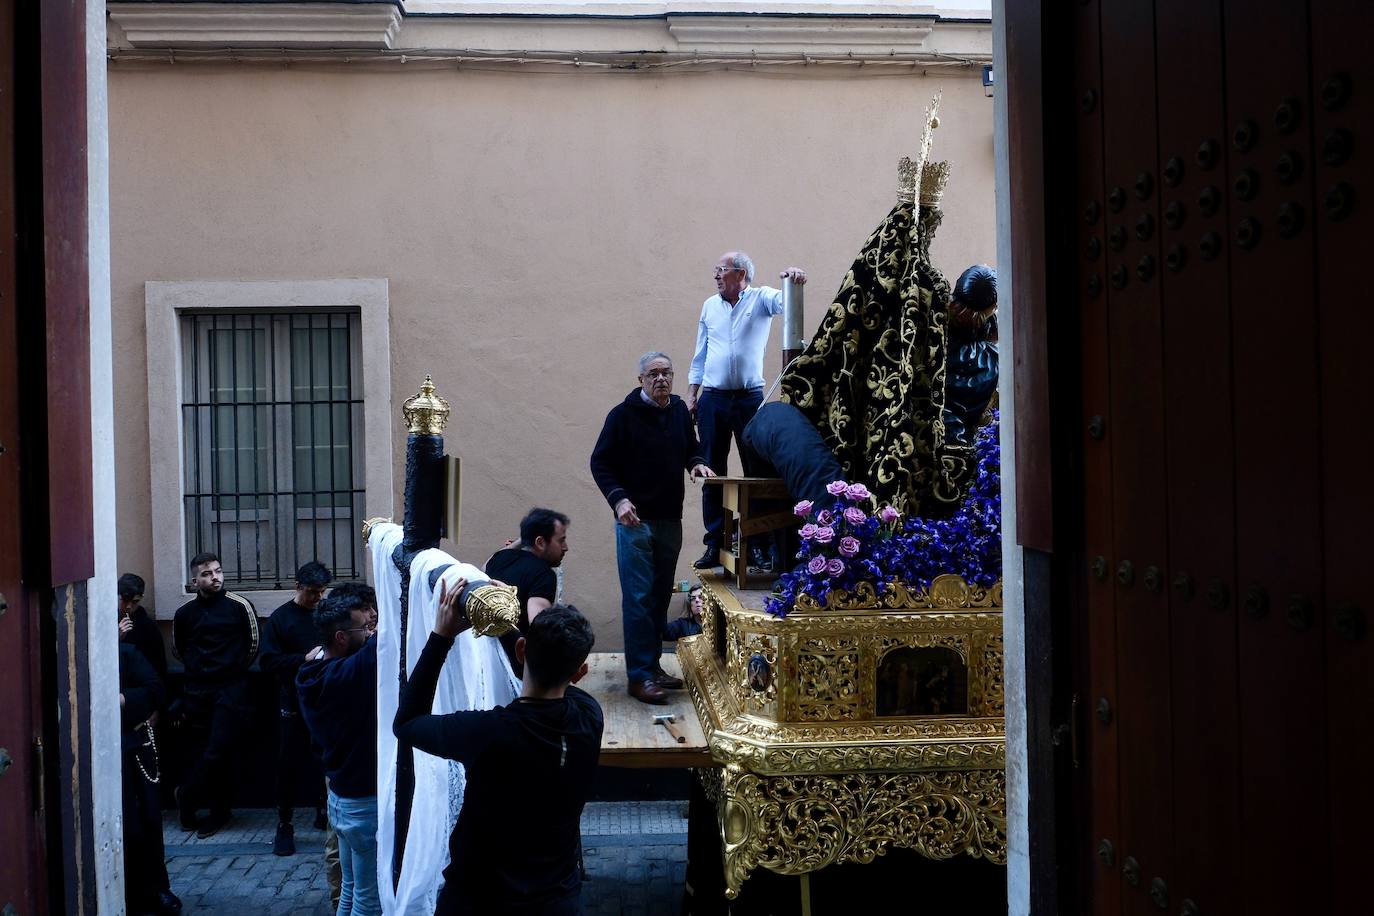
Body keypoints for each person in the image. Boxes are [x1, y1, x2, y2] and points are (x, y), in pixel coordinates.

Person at [393, 581, 602, 915]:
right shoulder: (589, 717)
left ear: (521, 651)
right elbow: (540, 664)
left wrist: (442, 636)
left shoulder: (487, 732)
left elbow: (406, 723)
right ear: (580, 672)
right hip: (556, 898)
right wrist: (503, 620)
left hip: (479, 899)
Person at [590, 352, 715, 704]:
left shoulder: (678, 411)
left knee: (660, 596)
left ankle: (654, 667)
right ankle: (639, 677)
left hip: (669, 521)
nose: (661, 379)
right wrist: (619, 500)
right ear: (641, 380)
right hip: (634, 522)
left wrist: (697, 463)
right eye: (653, 374)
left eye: (666, 373)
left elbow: (691, 447)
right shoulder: (622, 416)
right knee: (639, 597)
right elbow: (600, 462)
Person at [686, 251, 806, 572]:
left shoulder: (760, 298)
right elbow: (701, 353)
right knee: (711, 469)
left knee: (757, 470)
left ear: (740, 274)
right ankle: (715, 542)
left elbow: (785, 303)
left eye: (721, 270)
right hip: (713, 398)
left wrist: (792, 278)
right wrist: (692, 394)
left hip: (750, 398)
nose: (716, 275)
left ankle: (759, 543)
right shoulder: (710, 306)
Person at [297, 588, 379, 916]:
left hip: (342, 798)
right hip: (362, 803)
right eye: (366, 629)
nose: (372, 632)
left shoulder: (314, 670)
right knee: (369, 901)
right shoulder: (348, 674)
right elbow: (383, 644)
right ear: (342, 637)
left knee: (350, 887)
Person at [170, 552, 258, 838]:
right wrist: (199, 673)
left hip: (230, 688)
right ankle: (213, 809)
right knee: (200, 750)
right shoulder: (184, 614)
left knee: (218, 748)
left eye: (218, 571)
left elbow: (252, 643)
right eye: (207, 574)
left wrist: (231, 671)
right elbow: (179, 649)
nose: (215, 577)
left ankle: (187, 796)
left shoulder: (239, 606)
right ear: (195, 580)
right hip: (196, 689)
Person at [258, 560, 332, 856]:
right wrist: (304, 658)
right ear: (298, 587)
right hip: (292, 702)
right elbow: (267, 662)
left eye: (322, 592)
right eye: (313, 592)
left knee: (325, 759)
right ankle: (284, 824)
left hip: (326, 699)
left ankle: (323, 809)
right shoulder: (280, 619)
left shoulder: (325, 615)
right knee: (287, 764)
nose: (318, 598)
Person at [118, 619, 182, 916]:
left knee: (145, 822)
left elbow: (155, 689)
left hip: (134, 748)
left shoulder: (128, 654)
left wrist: (123, 699)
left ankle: (155, 888)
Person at [485, 508, 570, 676]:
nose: (566, 548)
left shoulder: (496, 560)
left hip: (486, 662)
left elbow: (490, 562)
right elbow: (540, 628)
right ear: (540, 542)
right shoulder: (544, 575)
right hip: (516, 671)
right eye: (561, 541)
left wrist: (524, 538)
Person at [119, 572, 167, 677]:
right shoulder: (106, 621)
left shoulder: (148, 627)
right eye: (125, 601)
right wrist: (118, 637)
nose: (129, 606)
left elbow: (158, 666)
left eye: (134, 602)